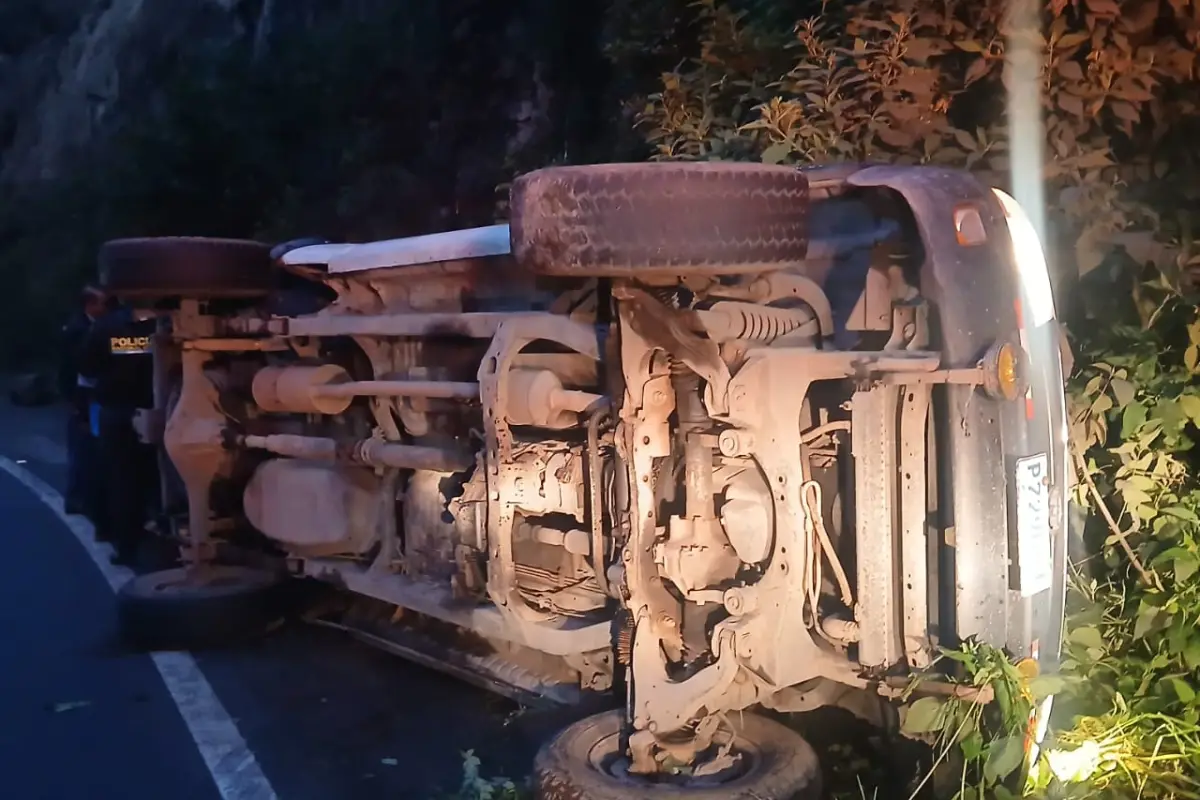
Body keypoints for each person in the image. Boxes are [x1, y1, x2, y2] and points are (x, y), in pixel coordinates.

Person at [77, 299, 160, 565]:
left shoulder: (105, 327)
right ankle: (164, 534)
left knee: (121, 481)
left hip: (117, 412)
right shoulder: (169, 325)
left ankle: (127, 547)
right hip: (161, 411)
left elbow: (88, 368)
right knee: (160, 475)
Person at [59, 286, 107, 516]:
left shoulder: (85, 327)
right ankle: (77, 498)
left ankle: (82, 496)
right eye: (101, 303)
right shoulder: (79, 330)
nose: (105, 308)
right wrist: (72, 400)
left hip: (85, 397)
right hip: (82, 398)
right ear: (89, 305)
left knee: (85, 448)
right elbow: (71, 367)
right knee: (81, 448)